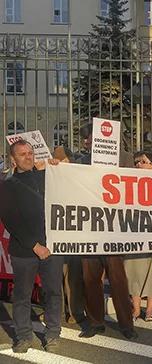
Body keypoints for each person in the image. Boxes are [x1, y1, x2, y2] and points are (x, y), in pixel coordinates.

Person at [0, 140, 63, 353]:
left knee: (54, 292)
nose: (28, 157)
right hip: (24, 251)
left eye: (30, 152)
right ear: (13, 159)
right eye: (22, 154)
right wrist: (35, 245)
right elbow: (10, 219)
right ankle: (23, 336)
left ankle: (53, 333)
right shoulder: (7, 185)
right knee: (22, 296)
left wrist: (58, 167)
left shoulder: (47, 176)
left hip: (53, 248)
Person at [75, 124, 137, 340]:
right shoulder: (81, 161)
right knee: (90, 279)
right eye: (84, 139)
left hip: (114, 229)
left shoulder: (125, 158)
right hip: (90, 228)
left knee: (118, 279)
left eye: (88, 138)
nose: (85, 142)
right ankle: (95, 322)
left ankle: (126, 324)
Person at [124, 151, 152, 322]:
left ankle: (149, 310)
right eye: (137, 162)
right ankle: (136, 309)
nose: (139, 165)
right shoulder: (129, 182)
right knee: (133, 271)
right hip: (134, 234)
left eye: (143, 162)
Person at [53, 146, 87, 324]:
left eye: (63, 159)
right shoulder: (50, 176)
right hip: (55, 234)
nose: (61, 163)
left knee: (73, 276)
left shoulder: (77, 177)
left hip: (74, 235)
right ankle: (57, 310)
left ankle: (75, 311)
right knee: (55, 275)